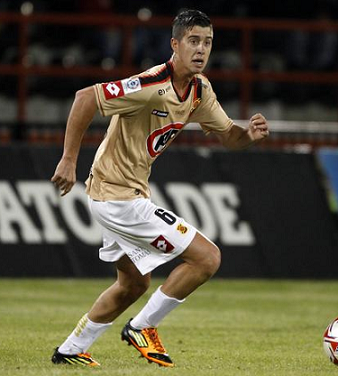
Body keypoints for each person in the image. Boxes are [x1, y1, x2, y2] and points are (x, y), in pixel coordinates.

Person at [50, 9, 269, 368]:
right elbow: (85, 98)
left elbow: (229, 136)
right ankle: (142, 326)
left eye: (208, 42)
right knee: (207, 257)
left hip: (117, 195)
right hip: (118, 197)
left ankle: (71, 349)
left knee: (133, 284)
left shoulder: (198, 91)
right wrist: (68, 160)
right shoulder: (152, 85)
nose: (201, 50)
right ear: (175, 44)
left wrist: (248, 136)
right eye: (194, 41)